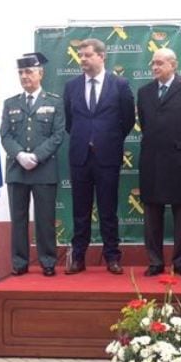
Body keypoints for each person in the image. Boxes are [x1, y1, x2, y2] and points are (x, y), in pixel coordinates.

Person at [63, 38, 136, 275]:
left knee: (108, 210)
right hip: (80, 156)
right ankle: (78, 258)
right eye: (80, 55)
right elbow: (70, 122)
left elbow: (127, 121)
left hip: (107, 157)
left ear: (101, 56)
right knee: (80, 211)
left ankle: (112, 257)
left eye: (87, 55)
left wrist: (107, 139)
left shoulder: (120, 84)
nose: (82, 59)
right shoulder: (72, 86)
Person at [137, 48, 181, 277]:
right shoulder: (144, 92)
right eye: (152, 64)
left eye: (159, 63)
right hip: (152, 161)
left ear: (173, 65)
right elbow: (146, 125)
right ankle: (155, 262)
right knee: (152, 214)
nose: (154, 67)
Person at [0, 53, 65, 277]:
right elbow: (5, 134)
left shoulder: (54, 101)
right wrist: (19, 155)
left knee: (45, 219)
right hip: (17, 170)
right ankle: (19, 263)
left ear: (40, 73)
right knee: (18, 219)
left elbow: (58, 135)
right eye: (21, 73)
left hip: (44, 169)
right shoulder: (10, 103)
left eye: (29, 72)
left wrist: (36, 156)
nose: (24, 76)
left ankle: (48, 261)